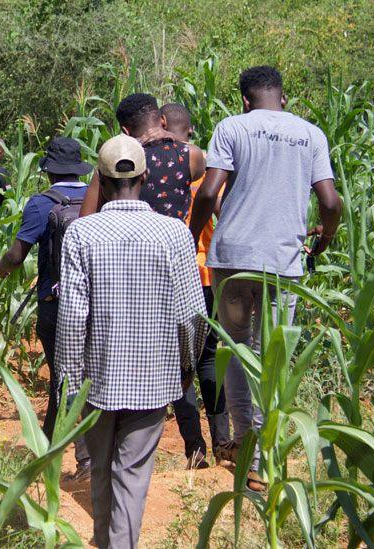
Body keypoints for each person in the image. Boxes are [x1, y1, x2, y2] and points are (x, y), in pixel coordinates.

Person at [189, 66, 343, 491]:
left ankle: (248, 446)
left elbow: (207, 191)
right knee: (271, 356)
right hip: (284, 263)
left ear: (244, 100)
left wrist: (190, 236)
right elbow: (330, 201)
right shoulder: (310, 135)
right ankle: (265, 457)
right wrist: (323, 240)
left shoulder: (232, 127)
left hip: (233, 258)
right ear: (284, 98)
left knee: (236, 349)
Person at [57, 134, 206, 548]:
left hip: (97, 380)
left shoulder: (81, 234)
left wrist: (69, 384)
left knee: (102, 471)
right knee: (132, 476)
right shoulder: (174, 234)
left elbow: (72, 317)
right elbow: (193, 318)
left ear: (101, 182)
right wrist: (185, 370)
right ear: (145, 177)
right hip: (154, 381)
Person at [0, 136, 91, 476]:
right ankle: (47, 446)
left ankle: (84, 457)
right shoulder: (101, 195)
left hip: (58, 303)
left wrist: (2, 267)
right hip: (99, 300)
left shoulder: (41, 203)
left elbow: (17, 255)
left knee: (65, 380)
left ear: (49, 172)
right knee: (86, 378)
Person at [153, 101, 230, 469]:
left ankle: (194, 449)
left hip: (175, 281)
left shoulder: (157, 172)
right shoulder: (213, 176)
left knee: (177, 361)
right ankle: (224, 439)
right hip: (210, 278)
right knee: (211, 359)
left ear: (163, 124)